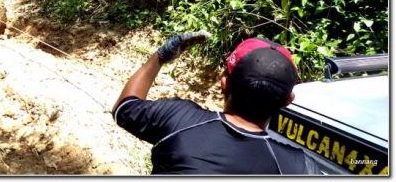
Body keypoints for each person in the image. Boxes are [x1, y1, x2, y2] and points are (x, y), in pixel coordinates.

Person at [112, 32, 320, 175]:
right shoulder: (298, 167)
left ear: (224, 84)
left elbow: (124, 107)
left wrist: (159, 58)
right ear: (287, 101)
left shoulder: (179, 120)